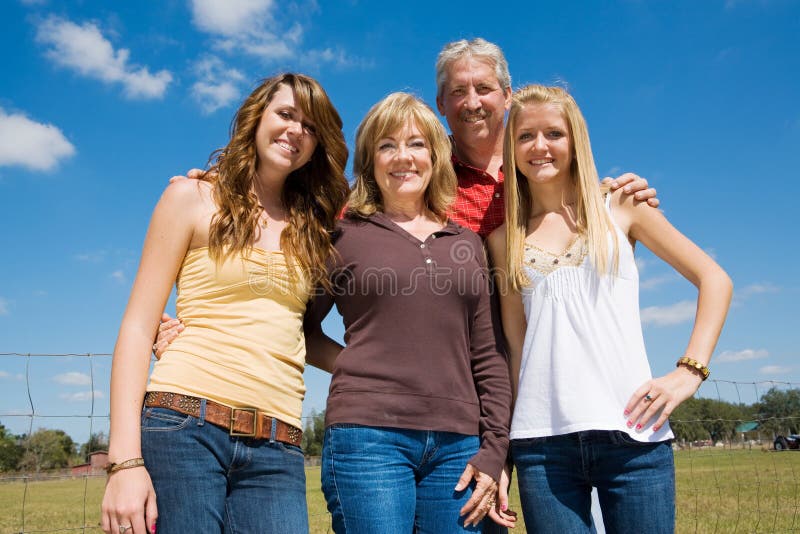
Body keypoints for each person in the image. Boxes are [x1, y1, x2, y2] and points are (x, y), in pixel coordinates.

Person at [100, 73, 349, 534]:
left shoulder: (315, 229)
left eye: (311, 126)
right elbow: (138, 326)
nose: (296, 130)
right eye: (286, 114)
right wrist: (125, 462)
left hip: (280, 442)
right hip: (183, 425)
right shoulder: (190, 198)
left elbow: (294, 331)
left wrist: (372, 367)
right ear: (257, 118)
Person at [486, 84, 733, 532]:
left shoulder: (620, 207)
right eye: (525, 136)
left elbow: (714, 279)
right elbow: (516, 349)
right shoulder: (503, 241)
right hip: (542, 448)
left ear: (575, 140)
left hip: (635, 437)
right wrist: (504, 451)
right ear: (511, 147)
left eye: (553, 133)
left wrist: (688, 372)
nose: (540, 146)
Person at [302, 92, 512, 533]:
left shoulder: (467, 243)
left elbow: (489, 354)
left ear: (436, 156)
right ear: (369, 160)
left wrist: (494, 449)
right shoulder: (343, 236)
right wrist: (354, 365)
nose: (403, 157)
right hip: (367, 437)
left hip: (460, 444)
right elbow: (299, 326)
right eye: (387, 145)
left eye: (416, 144)